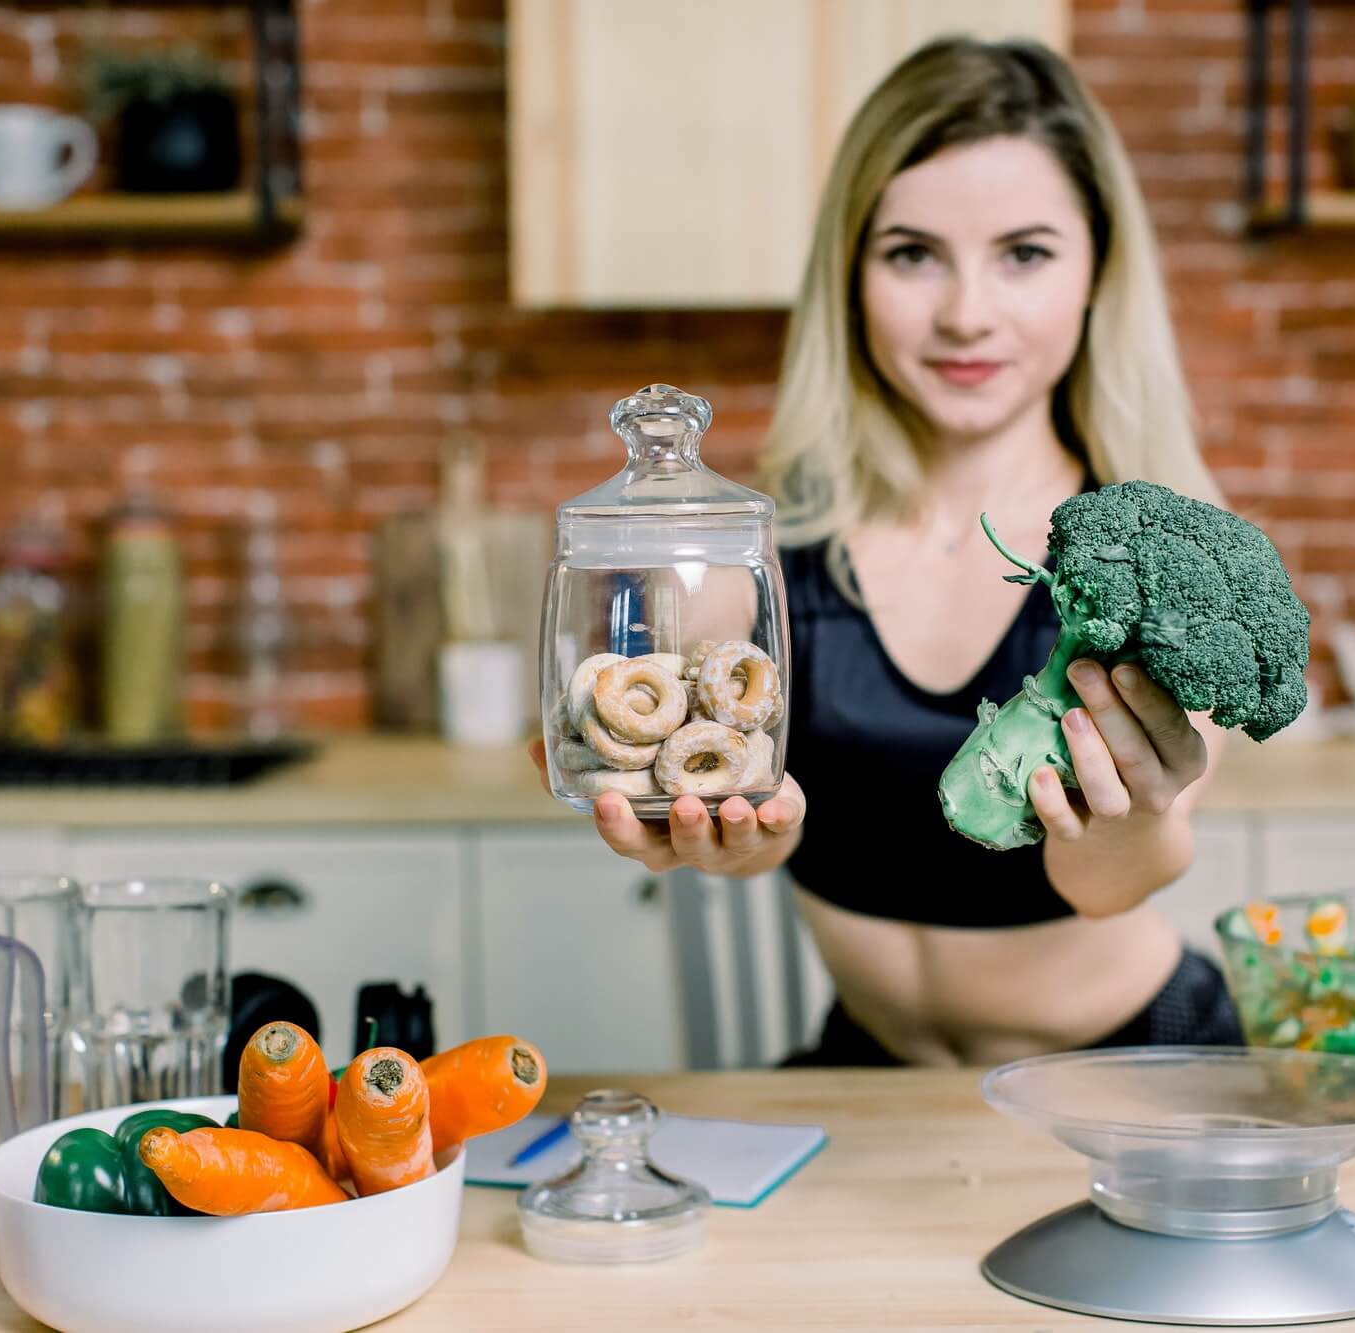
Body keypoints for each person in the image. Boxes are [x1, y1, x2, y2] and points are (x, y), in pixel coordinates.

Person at [530, 36, 1243, 1067]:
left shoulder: (1153, 556)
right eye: (911, 252)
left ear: (1096, 269)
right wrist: (731, 842)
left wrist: (1133, 834)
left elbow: (1109, 884)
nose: (964, 312)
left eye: (1024, 253)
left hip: (1129, 1064)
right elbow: (717, 799)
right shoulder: (773, 551)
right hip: (870, 1070)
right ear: (851, 274)